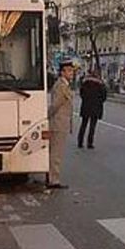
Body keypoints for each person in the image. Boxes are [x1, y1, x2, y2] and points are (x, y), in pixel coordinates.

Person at [47, 60, 76, 189]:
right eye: (69, 71)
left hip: (60, 122)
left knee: (55, 151)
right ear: (62, 72)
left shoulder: (64, 85)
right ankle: (54, 180)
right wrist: (48, 116)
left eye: (72, 71)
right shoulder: (61, 86)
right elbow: (55, 105)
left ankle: (52, 177)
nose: (72, 73)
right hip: (58, 123)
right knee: (56, 153)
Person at [78, 69, 107, 149]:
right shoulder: (100, 84)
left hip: (86, 106)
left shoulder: (85, 82)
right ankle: (89, 143)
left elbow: (81, 93)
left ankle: (80, 142)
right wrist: (99, 102)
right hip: (96, 107)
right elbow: (104, 95)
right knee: (92, 126)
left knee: (83, 124)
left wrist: (85, 100)